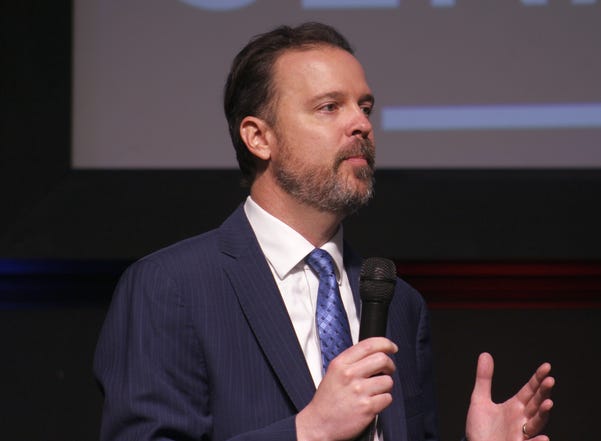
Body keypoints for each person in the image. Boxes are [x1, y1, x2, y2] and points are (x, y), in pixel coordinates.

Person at [93, 22, 554, 441]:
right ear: (258, 137)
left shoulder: (400, 305)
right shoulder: (171, 286)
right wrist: (307, 431)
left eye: (364, 107)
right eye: (329, 107)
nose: (362, 125)